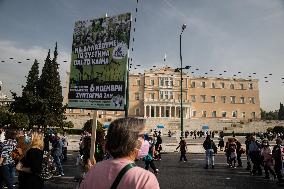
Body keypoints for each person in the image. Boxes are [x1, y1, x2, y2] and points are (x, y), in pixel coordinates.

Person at [79, 117, 160, 189]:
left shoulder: (92, 172)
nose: (146, 141)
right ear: (132, 141)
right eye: (144, 136)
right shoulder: (145, 179)